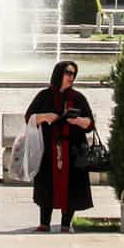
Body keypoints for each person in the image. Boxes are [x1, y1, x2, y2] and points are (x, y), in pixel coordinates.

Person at [23, 60, 96, 232]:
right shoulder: (44, 95)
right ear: (59, 74)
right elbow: (29, 117)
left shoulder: (78, 98)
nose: (71, 77)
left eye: (73, 74)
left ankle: (65, 223)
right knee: (46, 183)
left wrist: (77, 121)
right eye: (68, 73)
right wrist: (44, 116)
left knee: (72, 185)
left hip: (72, 149)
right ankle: (44, 223)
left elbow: (90, 124)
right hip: (49, 149)